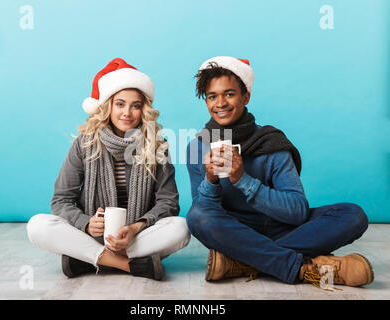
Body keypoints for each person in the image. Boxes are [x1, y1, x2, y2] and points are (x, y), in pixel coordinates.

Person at [185, 56, 374, 289]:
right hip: (235, 230)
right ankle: (301, 266)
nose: (220, 103)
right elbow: (203, 211)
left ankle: (243, 261)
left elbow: (297, 211)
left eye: (230, 94)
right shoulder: (198, 147)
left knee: (353, 215)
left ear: (246, 96)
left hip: (282, 226)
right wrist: (211, 180)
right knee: (196, 217)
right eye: (212, 96)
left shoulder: (270, 142)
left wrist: (242, 180)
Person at [27, 58, 190, 280]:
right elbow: (61, 200)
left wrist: (135, 228)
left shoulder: (157, 146)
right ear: (107, 107)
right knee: (38, 225)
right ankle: (129, 265)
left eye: (136, 105)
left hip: (136, 236)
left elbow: (168, 202)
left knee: (180, 228)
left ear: (144, 109)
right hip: (93, 235)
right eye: (120, 104)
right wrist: (86, 224)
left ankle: (89, 259)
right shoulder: (85, 143)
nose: (127, 113)